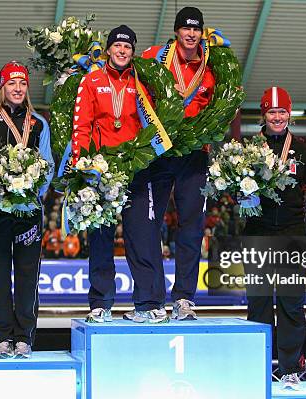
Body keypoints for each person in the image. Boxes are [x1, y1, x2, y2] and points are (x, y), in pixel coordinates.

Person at [71, 26, 167, 323]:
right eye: (117, 46)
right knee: (100, 237)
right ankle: (101, 302)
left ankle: (148, 302)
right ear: (108, 49)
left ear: (132, 52)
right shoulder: (92, 81)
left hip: (137, 169)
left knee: (143, 236)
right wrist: (81, 163)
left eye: (127, 47)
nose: (122, 51)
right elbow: (82, 124)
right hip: (102, 170)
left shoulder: (142, 82)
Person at [138, 6, 215, 320]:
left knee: (191, 227)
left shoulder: (213, 64)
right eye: (186, 28)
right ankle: (153, 298)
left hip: (194, 155)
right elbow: (134, 86)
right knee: (149, 225)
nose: (191, 34)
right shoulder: (155, 56)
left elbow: (223, 105)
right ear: (177, 31)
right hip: (159, 150)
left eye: (196, 29)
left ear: (202, 33)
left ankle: (184, 297)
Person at [243, 87, 306, 390]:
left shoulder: (302, 149)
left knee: (291, 303)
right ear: (264, 115)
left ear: (289, 114)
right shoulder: (248, 147)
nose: (277, 117)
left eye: (282, 112)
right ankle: (256, 364)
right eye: (272, 112)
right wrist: (239, 196)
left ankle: (290, 368)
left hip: (291, 233)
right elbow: (232, 185)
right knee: (258, 303)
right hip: (257, 232)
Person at [0, 61, 53, 358]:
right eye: (12, 83)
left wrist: (32, 191)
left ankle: (23, 337)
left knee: (26, 276)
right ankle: (2, 338)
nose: (18, 89)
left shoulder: (38, 123)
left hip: (28, 213)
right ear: (2, 87)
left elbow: (46, 166)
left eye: (22, 83)